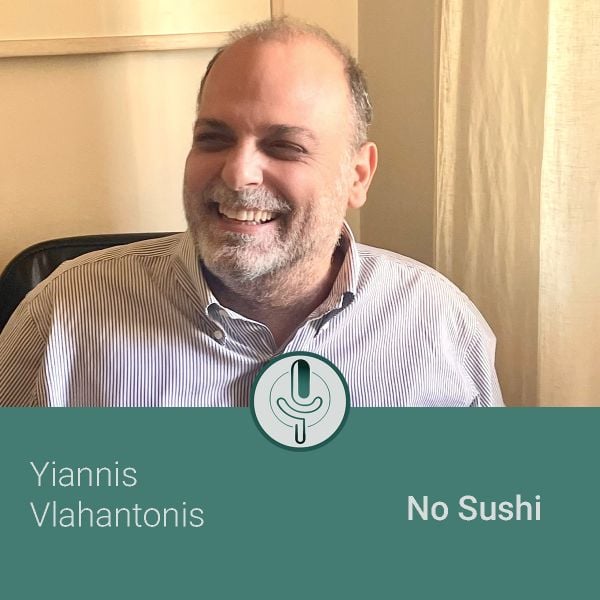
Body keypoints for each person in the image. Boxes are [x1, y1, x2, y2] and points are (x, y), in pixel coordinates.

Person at [0, 18, 503, 407]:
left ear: (357, 176)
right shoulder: (62, 314)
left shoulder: (439, 323)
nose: (238, 173)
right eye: (213, 138)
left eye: (285, 146)